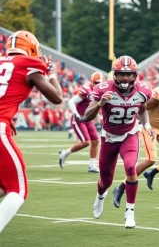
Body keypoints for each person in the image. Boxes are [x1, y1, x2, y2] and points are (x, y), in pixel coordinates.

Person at [0, 30, 63, 234]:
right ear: (32, 49)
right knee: (18, 190)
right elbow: (57, 98)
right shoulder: (29, 63)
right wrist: (51, 71)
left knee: (4, 187)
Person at [84, 55, 154, 229]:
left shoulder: (143, 91)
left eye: (129, 74)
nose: (125, 78)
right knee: (105, 180)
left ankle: (130, 212)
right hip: (109, 137)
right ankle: (100, 196)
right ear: (114, 74)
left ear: (135, 75)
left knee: (131, 167)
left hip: (130, 134)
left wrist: (146, 124)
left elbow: (143, 109)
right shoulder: (103, 89)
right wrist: (100, 103)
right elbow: (86, 116)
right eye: (121, 74)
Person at [113, 71, 159, 209]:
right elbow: (142, 107)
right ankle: (120, 187)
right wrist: (137, 123)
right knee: (151, 159)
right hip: (149, 128)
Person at [59, 72, 105, 173]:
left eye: (100, 83)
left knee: (95, 141)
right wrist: (76, 114)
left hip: (89, 119)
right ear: (92, 81)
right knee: (86, 142)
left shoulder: (103, 90)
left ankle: (92, 166)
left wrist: (99, 115)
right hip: (79, 118)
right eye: (96, 82)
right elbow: (71, 101)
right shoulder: (86, 89)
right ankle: (65, 153)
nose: (98, 85)